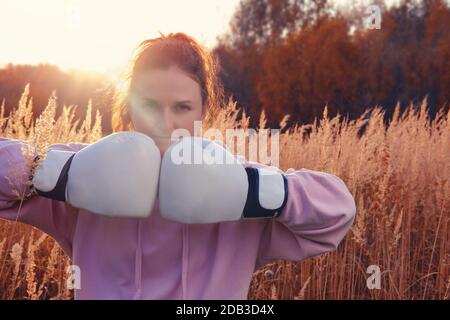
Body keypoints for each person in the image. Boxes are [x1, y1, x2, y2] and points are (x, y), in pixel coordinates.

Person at [0, 32, 356, 299]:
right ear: (129, 108)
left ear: (204, 110)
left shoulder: (232, 181)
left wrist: (255, 190)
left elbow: (337, 214)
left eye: (181, 107)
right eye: (150, 106)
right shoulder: (83, 169)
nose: (164, 123)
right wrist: (55, 174)